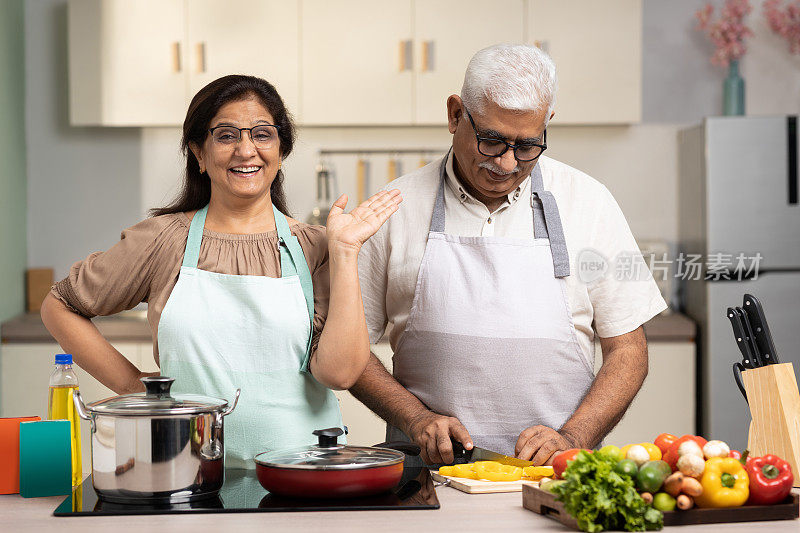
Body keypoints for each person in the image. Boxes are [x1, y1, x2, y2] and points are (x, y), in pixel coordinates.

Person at [41, 74, 402, 467]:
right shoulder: (164, 241)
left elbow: (340, 373)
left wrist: (346, 252)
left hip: (299, 479)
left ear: (281, 151)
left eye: (262, 134)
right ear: (198, 152)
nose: (246, 150)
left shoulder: (316, 247)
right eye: (227, 135)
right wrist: (134, 386)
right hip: (185, 474)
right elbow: (59, 304)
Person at [351, 44, 667, 466]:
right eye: (491, 140)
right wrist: (415, 418)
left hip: (556, 477)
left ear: (546, 124)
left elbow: (629, 351)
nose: (506, 162)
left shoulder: (588, 202)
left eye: (527, 146)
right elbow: (348, 351)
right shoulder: (395, 208)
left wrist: (573, 436)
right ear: (454, 115)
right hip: (428, 479)